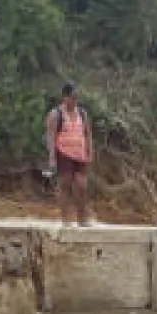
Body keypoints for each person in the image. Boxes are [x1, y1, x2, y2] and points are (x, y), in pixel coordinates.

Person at [46, 83, 93, 227]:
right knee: (65, 185)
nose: (75, 101)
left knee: (82, 186)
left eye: (76, 98)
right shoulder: (56, 114)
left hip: (80, 153)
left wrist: (90, 151)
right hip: (63, 153)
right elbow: (51, 136)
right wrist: (52, 157)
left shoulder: (82, 113)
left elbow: (87, 133)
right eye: (72, 97)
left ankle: (82, 218)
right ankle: (65, 219)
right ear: (65, 97)